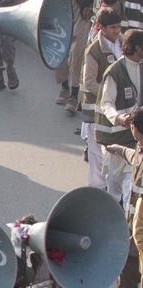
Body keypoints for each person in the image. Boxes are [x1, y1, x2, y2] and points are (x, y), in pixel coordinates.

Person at [94, 29, 143, 203]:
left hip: (136, 137)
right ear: (136, 48)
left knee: (131, 182)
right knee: (114, 183)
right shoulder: (115, 72)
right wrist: (118, 118)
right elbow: (106, 103)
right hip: (117, 137)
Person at [104, 108, 143, 288]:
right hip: (134, 220)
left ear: (134, 129)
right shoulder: (140, 148)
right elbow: (134, 157)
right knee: (127, 258)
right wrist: (119, 150)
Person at [81, 8, 122, 195]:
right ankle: (97, 195)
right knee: (97, 158)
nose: (116, 31)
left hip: (115, 112)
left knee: (114, 157)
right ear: (102, 28)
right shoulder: (94, 51)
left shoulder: (123, 44)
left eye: (118, 27)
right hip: (96, 114)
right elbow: (89, 83)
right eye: (112, 28)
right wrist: (111, 95)